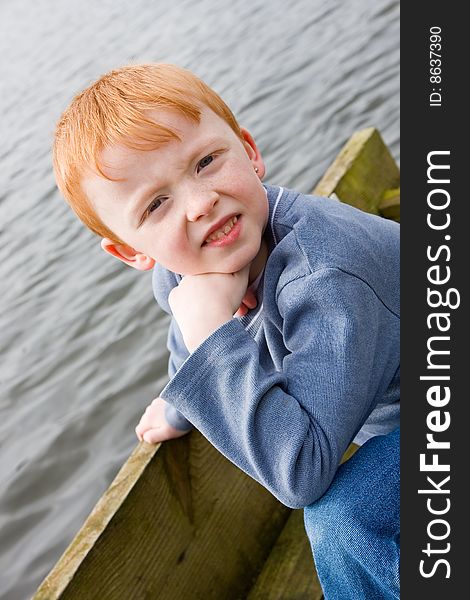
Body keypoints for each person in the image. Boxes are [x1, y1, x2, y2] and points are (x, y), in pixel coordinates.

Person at [52, 63, 400, 599]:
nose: (199, 203)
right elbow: (184, 336)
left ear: (249, 151)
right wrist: (177, 403)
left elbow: (300, 474)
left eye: (206, 162)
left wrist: (215, 338)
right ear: (132, 251)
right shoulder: (186, 267)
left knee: (342, 522)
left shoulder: (326, 274)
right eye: (156, 204)